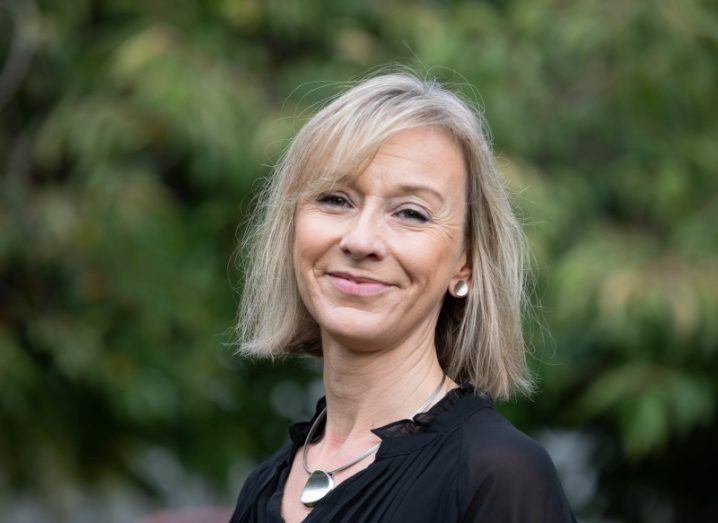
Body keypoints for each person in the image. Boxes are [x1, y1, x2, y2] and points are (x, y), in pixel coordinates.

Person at [229, 70, 577, 522]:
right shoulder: (266, 486)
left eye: (411, 213)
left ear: (465, 262)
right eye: (336, 199)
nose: (361, 240)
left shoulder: (497, 475)